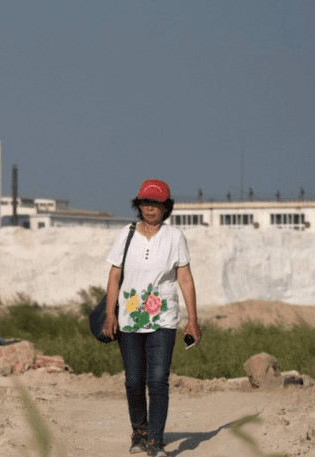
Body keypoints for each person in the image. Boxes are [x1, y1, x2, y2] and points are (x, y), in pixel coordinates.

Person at [102, 179, 200, 457]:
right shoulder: (126, 234)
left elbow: (185, 278)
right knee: (134, 380)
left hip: (163, 320)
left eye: (156, 204)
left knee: (157, 380)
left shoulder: (175, 237)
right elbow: (114, 275)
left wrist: (192, 319)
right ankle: (139, 431)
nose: (150, 209)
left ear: (166, 207)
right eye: (146, 203)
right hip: (129, 319)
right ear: (138, 205)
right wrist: (111, 314)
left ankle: (156, 439)